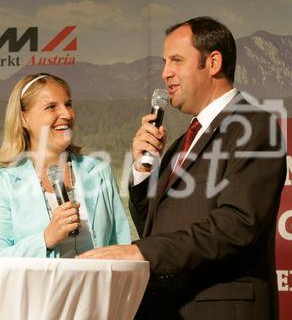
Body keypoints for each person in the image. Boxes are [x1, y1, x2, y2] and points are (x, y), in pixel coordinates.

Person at [80, 16, 286, 319]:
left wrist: (141, 252)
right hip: (169, 308)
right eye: (165, 62)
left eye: (176, 60)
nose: (165, 73)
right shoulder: (180, 144)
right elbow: (154, 226)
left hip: (219, 309)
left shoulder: (254, 126)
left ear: (213, 62)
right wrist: (144, 170)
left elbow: (237, 224)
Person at [0, 73, 131, 257]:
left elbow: (121, 247)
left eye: (68, 104)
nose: (66, 114)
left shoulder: (99, 171)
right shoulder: (3, 182)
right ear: (23, 119)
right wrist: (45, 240)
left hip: (95, 286)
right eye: (51, 107)